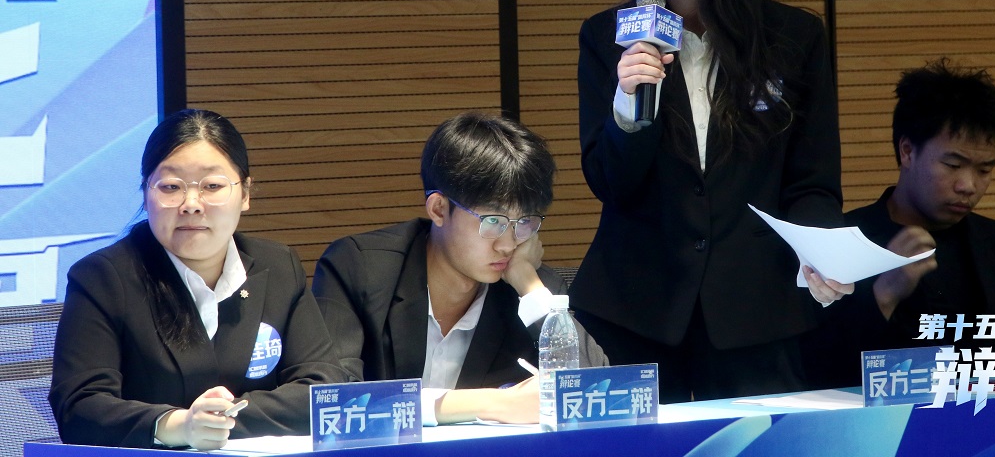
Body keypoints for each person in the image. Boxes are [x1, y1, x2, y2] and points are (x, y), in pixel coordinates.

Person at [571, 0, 850, 403]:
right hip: (637, 310)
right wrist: (628, 101)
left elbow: (812, 179)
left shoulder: (793, 39)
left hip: (756, 310)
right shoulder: (610, 37)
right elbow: (611, 183)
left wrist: (821, 249)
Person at [50, 109, 346, 449]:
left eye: (213, 186)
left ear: (245, 194)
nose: (191, 204)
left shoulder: (278, 266)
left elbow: (323, 391)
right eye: (171, 187)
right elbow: (80, 409)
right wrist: (179, 426)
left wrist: (218, 421)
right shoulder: (103, 277)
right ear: (146, 194)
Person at [312, 111, 606, 425]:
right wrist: (492, 403)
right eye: (493, 221)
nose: (508, 244)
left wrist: (528, 284)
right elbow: (333, 401)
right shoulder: (360, 269)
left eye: (525, 222)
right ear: (439, 209)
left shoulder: (533, 290)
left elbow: (594, 393)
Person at [801, 58, 995, 388]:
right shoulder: (838, 245)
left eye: (984, 170)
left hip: (992, 418)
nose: (968, 185)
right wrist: (884, 293)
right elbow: (817, 375)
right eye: (953, 165)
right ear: (908, 151)